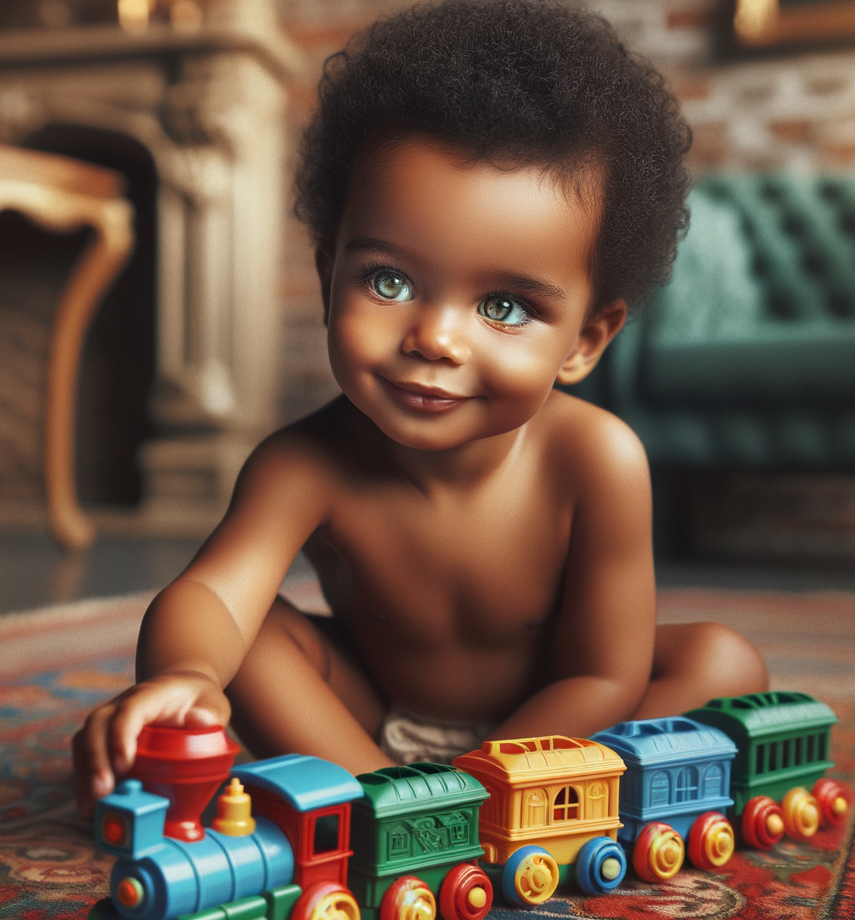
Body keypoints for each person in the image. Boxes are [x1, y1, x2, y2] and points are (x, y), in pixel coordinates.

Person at [73, 0, 767, 816]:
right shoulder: (304, 463)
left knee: (723, 663)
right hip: (375, 720)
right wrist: (185, 676)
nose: (434, 339)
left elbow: (601, 675)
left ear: (585, 340)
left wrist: (490, 774)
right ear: (331, 275)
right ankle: (390, 805)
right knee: (250, 640)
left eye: (506, 307)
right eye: (389, 281)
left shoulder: (598, 460)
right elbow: (216, 596)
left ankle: (441, 810)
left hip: (552, 725)